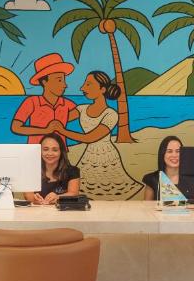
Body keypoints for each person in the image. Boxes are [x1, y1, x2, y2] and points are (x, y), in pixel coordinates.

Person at [48, 71, 142, 199]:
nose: (82, 88)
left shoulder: (111, 114)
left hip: (106, 156)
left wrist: (62, 130)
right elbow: (59, 119)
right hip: (89, 155)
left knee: (110, 192)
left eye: (88, 84)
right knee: (82, 191)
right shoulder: (82, 109)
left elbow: (90, 138)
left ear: (102, 89)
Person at [12, 53, 79, 144]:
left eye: (64, 80)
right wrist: (45, 130)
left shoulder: (67, 104)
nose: (65, 85)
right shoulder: (32, 102)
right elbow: (16, 127)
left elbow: (80, 113)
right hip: (36, 149)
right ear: (44, 82)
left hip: (60, 150)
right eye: (59, 80)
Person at [25, 133, 81, 205]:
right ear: (40, 151)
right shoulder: (30, 171)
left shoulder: (72, 171)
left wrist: (58, 197)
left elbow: (74, 194)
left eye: (55, 150)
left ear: (61, 152)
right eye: (45, 149)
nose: (50, 153)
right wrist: (35, 199)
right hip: (38, 211)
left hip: (62, 211)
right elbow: (28, 196)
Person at [142, 136, 194, 201]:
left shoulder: (193, 179)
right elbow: (146, 206)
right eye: (169, 151)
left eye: (178, 151)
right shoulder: (152, 179)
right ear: (162, 154)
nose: (174, 155)